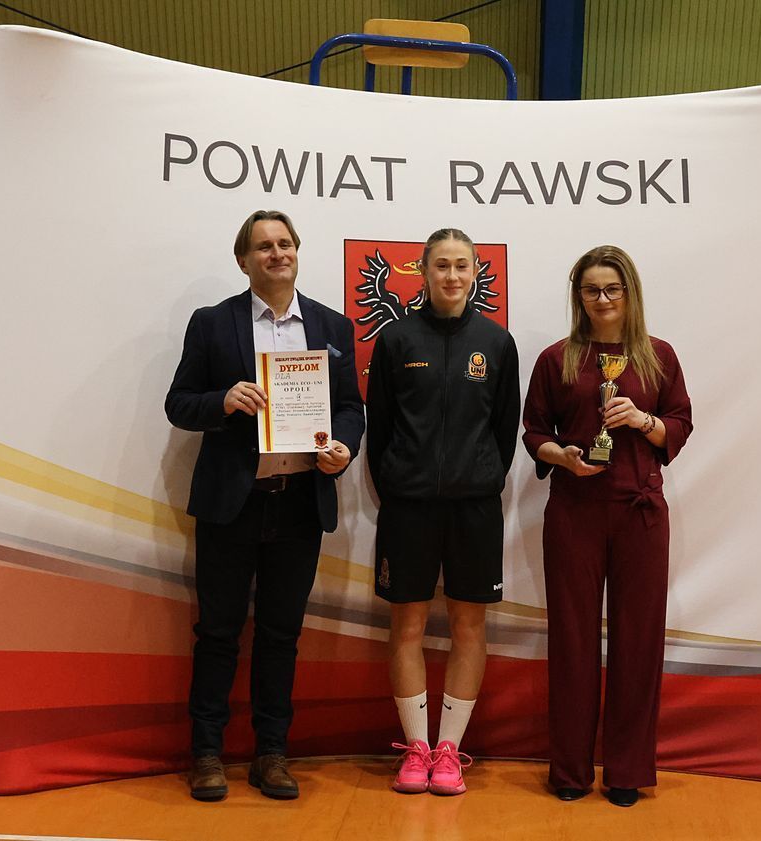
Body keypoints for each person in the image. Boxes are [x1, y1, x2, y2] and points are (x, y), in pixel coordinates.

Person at [165, 209, 364, 802]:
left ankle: (271, 754)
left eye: (284, 243)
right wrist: (223, 400)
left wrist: (344, 447)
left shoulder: (332, 325)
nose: (276, 254)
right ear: (243, 260)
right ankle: (206, 753)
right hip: (233, 503)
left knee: (281, 635)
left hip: (300, 503)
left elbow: (350, 407)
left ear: (297, 251)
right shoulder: (212, 323)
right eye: (263, 246)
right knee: (218, 633)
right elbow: (179, 403)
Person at [521, 245, 692, 807]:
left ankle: (626, 770)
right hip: (574, 511)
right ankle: (569, 770)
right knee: (572, 640)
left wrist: (643, 420)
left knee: (638, 642)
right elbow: (533, 432)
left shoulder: (658, 356)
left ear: (629, 292)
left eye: (611, 289)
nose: (602, 299)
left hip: (640, 512)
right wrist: (563, 457)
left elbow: (679, 425)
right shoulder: (557, 358)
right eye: (591, 290)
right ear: (579, 297)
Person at [364, 228, 521, 796]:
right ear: (424, 272)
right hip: (408, 509)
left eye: (462, 266)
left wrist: (477, 478)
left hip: (474, 510)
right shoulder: (396, 339)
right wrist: (401, 481)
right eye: (441, 266)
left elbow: (504, 429)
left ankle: (449, 751)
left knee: (468, 627)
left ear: (476, 272)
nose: (452, 276)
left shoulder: (497, 343)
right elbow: (380, 427)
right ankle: (416, 750)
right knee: (406, 627)